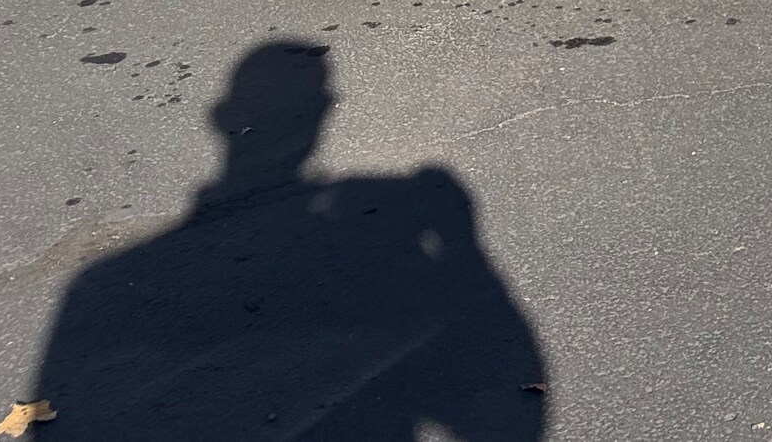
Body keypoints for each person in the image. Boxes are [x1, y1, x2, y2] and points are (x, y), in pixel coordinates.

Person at [30, 39, 546, 440]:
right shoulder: (103, 283)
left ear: (222, 117)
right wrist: (462, 244)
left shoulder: (101, 283)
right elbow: (498, 412)